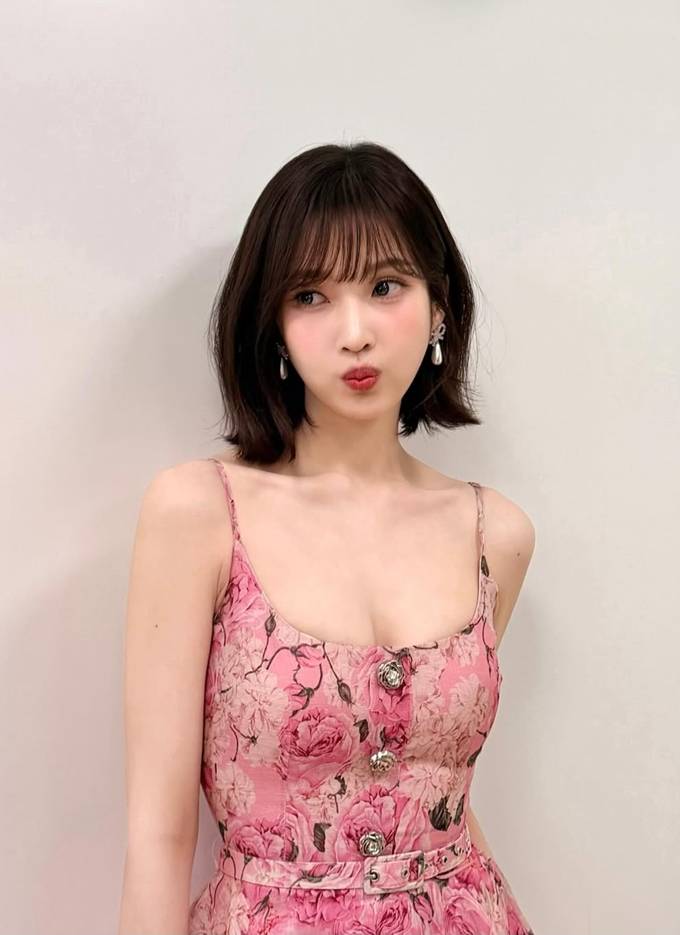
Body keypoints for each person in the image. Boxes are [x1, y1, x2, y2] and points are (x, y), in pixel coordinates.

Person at [119, 141, 536, 935]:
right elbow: (158, 836)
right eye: (311, 295)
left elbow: (439, 791)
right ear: (273, 324)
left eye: (386, 286)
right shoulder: (200, 513)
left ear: (439, 307)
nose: (354, 333)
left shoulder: (496, 534)